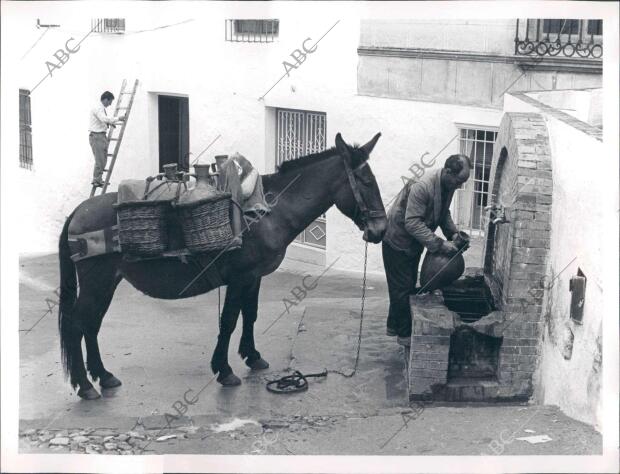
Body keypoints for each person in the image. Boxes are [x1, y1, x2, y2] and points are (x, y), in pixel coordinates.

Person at [382, 154, 471, 338]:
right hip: (397, 241)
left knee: (404, 285)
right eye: (459, 180)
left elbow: (442, 211)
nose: (460, 185)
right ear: (448, 171)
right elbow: (412, 223)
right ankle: (406, 337)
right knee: (403, 288)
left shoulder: (448, 185)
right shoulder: (423, 186)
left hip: (414, 243)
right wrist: (440, 245)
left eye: (463, 182)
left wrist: (452, 233)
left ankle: (394, 326)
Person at [216, 152, 270, 247]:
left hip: (251, 205)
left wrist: (232, 191)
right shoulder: (230, 173)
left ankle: (237, 236)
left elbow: (245, 193)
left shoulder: (252, 173)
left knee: (233, 200)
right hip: (238, 201)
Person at [89, 91, 124, 187]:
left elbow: (101, 121)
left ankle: (99, 179)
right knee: (99, 159)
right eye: (110, 101)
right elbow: (103, 119)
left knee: (103, 159)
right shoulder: (97, 108)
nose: (110, 104)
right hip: (97, 136)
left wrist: (109, 123)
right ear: (105, 99)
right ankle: (96, 180)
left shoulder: (101, 108)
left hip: (101, 136)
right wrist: (118, 118)